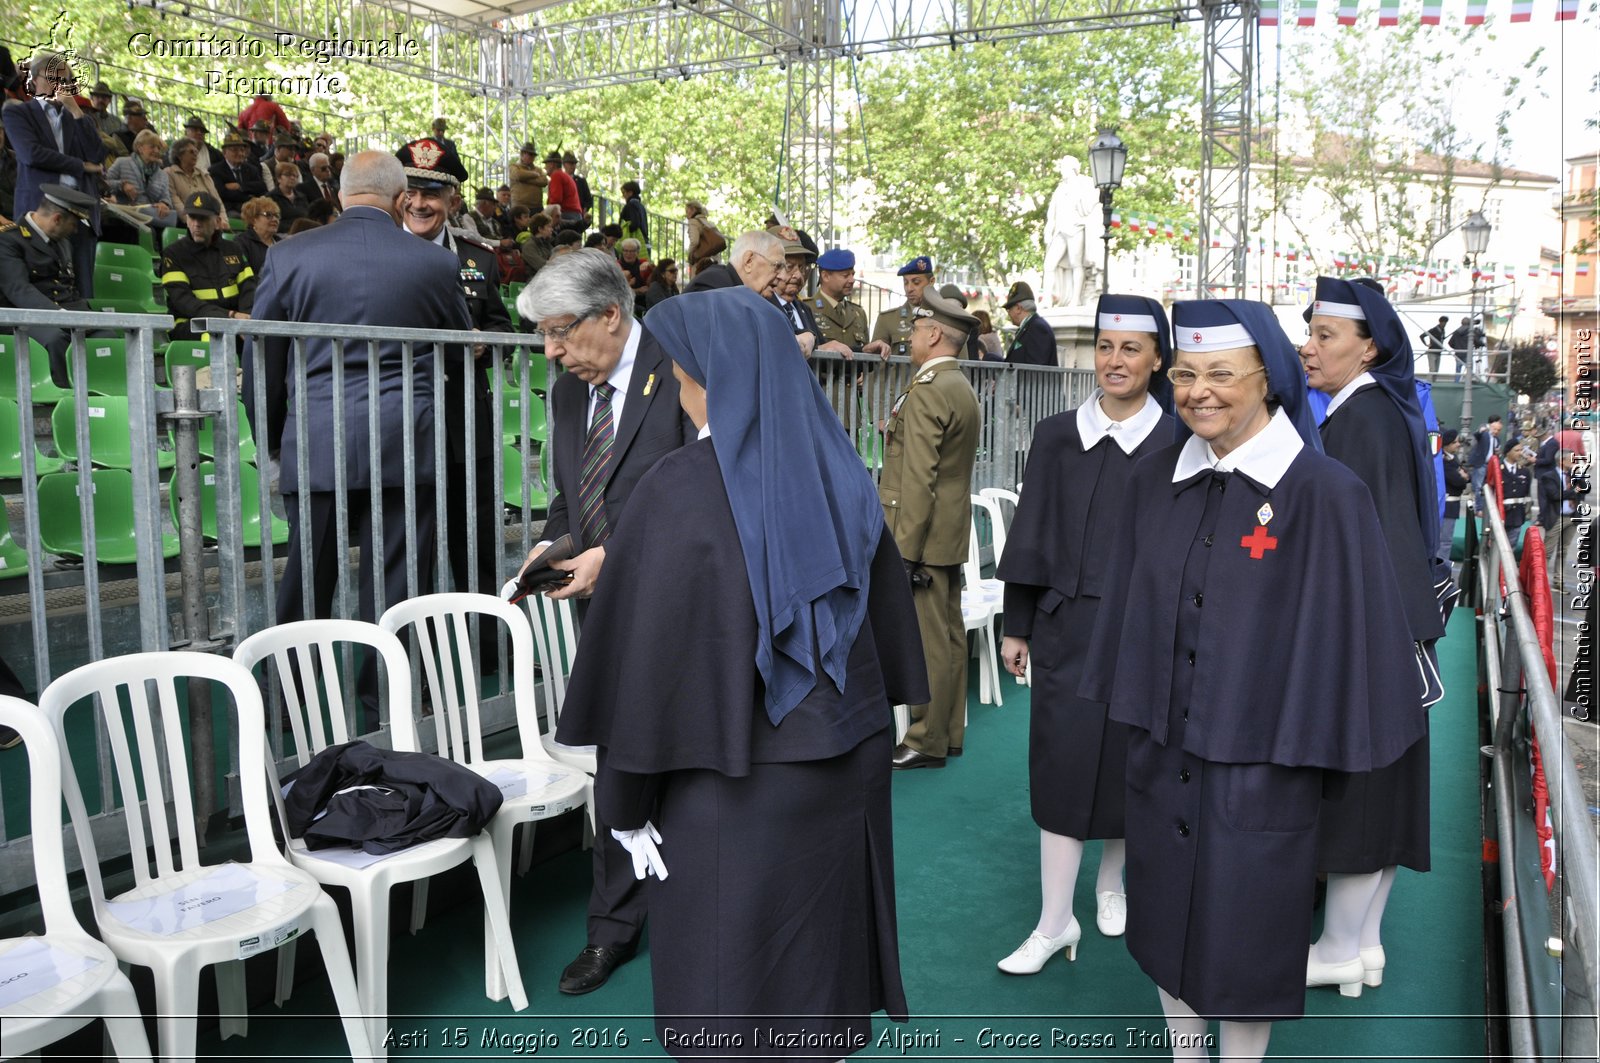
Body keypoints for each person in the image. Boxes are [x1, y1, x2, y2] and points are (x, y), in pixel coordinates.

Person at [551, 284, 926, 1058]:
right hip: (843, 770)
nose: (675, 380)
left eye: (681, 365)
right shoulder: (842, 469)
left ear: (707, 375)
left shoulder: (676, 489)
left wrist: (622, 805)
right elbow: (882, 634)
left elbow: (644, 670)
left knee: (724, 1009)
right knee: (816, 1000)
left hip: (724, 789)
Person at [1080, 298, 1424, 1061]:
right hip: (1162, 756)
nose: (1199, 390)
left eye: (1222, 375)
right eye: (1186, 374)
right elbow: (1131, 614)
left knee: (1245, 940)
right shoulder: (1155, 486)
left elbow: (1353, 645)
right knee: (1163, 921)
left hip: (1263, 770)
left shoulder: (1330, 495)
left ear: (1267, 379)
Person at [513, 248, 697, 995]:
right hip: (605, 613)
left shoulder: (684, 369)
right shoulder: (567, 393)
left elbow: (704, 499)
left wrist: (612, 556)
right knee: (618, 767)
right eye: (546, 338)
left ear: (611, 316)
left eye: (560, 333)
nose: (552, 352)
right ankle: (613, 929)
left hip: (688, 613)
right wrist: (553, 547)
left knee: (689, 766)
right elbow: (573, 499)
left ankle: (694, 911)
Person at [244, 151, 472, 714]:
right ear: (400, 201)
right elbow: (463, 352)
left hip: (319, 441)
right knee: (398, 578)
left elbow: (263, 363)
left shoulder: (287, 256)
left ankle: (285, 701)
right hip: (407, 442)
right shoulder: (434, 264)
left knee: (308, 573)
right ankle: (387, 696)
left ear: (340, 196)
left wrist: (273, 440)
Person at [995, 294, 1175, 974]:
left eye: (1131, 348)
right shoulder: (1056, 435)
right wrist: (1017, 625)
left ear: (1157, 358)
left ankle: (1111, 883)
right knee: (1064, 770)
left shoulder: (1178, 442)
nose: (1115, 360)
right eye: (1105, 346)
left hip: (1144, 634)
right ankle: (1054, 919)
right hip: (1066, 630)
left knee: (1133, 765)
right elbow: (1032, 535)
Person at [1299, 275, 1450, 997]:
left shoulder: (1358, 420)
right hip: (1397, 630)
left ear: (1369, 346)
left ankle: (1336, 943)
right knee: (1386, 796)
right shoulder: (1386, 411)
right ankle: (1361, 943)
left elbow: (1358, 543)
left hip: (1370, 632)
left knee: (1360, 795)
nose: (1309, 347)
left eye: (1325, 335)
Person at [398, 138, 515, 664]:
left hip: (467, 418)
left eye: (433, 193)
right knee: (411, 551)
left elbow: (501, 324)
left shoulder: (478, 258)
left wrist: (489, 342)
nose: (421, 203)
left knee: (479, 541)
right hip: (402, 421)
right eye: (413, 191)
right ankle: (413, 666)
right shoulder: (382, 254)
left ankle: (490, 651)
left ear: (453, 199)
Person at [882, 288, 982, 770]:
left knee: (928, 640)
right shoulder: (958, 386)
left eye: (917, 329)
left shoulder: (927, 390)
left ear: (934, 333)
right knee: (949, 635)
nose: (912, 336)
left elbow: (918, 480)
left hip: (920, 535)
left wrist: (903, 552)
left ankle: (924, 738)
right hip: (948, 531)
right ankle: (947, 733)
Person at [2, 50, 106, 298]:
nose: (60, 85)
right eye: (52, 77)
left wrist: (77, 112)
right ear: (34, 80)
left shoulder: (78, 118)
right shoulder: (18, 112)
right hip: (39, 211)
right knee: (38, 287)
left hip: (79, 212)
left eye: (66, 80)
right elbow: (31, 154)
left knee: (82, 290)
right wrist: (80, 166)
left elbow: (97, 155)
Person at [0, 183, 97, 385]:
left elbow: (68, 286)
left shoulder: (61, 241)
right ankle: (64, 400)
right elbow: (18, 290)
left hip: (65, 312)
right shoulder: (9, 240)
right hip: (24, 317)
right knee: (56, 339)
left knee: (106, 335)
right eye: (73, 224)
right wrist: (59, 316)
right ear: (57, 219)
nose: (74, 230)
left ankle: (107, 396)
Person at [160, 191, 256, 340]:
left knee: (258, 335)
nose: (196, 224)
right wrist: (229, 316)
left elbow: (248, 288)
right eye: (192, 217)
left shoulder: (233, 249)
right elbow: (183, 301)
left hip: (234, 323)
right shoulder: (173, 254)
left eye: (203, 218)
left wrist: (246, 319)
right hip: (190, 323)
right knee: (216, 336)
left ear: (218, 222)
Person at [811, 248, 881, 354]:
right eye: (845, 275)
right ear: (825, 276)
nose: (852, 280)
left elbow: (865, 355)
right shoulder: (808, 309)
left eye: (852, 274)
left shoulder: (858, 313)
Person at [105, 129, 175, 230]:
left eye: (158, 148)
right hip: (124, 218)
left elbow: (166, 196)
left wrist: (164, 204)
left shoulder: (162, 174)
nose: (156, 151)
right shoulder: (122, 162)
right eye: (152, 147)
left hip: (151, 219)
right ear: (140, 148)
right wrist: (122, 185)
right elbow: (104, 183)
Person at [683, 230, 784, 296]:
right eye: (777, 266)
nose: (782, 276)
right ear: (749, 261)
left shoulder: (735, 290)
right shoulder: (713, 288)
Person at [871, 255, 934, 358]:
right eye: (905, 283)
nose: (909, 288)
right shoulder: (887, 320)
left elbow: (962, 366)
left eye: (916, 282)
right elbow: (876, 366)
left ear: (931, 282)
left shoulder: (946, 318)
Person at [165, 139, 226, 222]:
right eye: (191, 152)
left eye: (196, 152)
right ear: (179, 155)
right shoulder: (169, 173)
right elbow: (176, 203)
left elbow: (217, 201)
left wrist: (223, 220)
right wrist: (192, 221)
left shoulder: (204, 174)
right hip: (185, 222)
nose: (195, 154)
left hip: (209, 219)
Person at [210, 130, 268, 215]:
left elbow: (261, 187)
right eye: (235, 150)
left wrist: (240, 186)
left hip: (252, 207)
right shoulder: (216, 170)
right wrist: (249, 196)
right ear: (224, 152)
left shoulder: (251, 169)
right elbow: (222, 193)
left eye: (242, 150)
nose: (240, 153)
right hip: (230, 209)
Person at [1003, 281, 1057, 365]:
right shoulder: (1030, 326)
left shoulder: (1037, 328)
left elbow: (1036, 369)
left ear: (1018, 308)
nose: (1008, 313)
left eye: (1009, 309)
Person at [1439, 429, 1467, 565]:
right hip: (1446, 506)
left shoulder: (1452, 459)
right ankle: (1441, 570)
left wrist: (1464, 477)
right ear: (1447, 444)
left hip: (1451, 506)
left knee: (1446, 540)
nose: (1458, 445)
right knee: (1444, 541)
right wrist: (1462, 478)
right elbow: (1458, 481)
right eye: (1454, 442)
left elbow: (1466, 476)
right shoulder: (1444, 461)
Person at [1467, 413, 1502, 514]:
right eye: (1495, 429)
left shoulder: (1497, 439)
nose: (1497, 432)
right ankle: (1479, 508)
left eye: (1499, 430)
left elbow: (1496, 452)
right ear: (1491, 427)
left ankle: (1485, 507)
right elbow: (1477, 435)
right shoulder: (1484, 435)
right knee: (1478, 486)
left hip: (1491, 466)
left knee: (1487, 487)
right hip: (1481, 464)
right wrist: (1481, 430)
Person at [236, 195, 280, 273]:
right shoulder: (242, 242)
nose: (275, 219)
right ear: (254, 219)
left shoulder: (281, 242)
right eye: (268, 215)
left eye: (276, 215)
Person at [545, 151, 583, 229]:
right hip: (574, 215)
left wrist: (545, 214)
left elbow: (556, 200)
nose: (545, 167)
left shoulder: (556, 175)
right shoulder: (564, 175)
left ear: (552, 164)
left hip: (567, 215)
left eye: (546, 164)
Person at [269, 161, 309, 228]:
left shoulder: (302, 196)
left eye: (295, 176)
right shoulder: (271, 198)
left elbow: (307, 216)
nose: (292, 178)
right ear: (279, 178)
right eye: (288, 175)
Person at [508, 142, 546, 210]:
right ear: (522, 154)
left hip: (537, 207)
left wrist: (524, 179)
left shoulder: (538, 169)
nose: (532, 157)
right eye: (530, 154)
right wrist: (535, 174)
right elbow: (518, 175)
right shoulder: (514, 167)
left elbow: (544, 181)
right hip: (519, 207)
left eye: (533, 155)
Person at [618, 179, 648, 249]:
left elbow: (634, 224)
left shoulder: (631, 205)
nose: (623, 196)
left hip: (634, 244)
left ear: (630, 193)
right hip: (644, 241)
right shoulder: (641, 206)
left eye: (624, 193)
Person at [564, 151, 593, 219]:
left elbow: (588, 200)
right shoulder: (560, 180)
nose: (573, 166)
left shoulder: (581, 181)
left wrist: (585, 209)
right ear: (564, 164)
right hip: (564, 213)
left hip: (578, 214)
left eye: (574, 164)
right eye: (570, 163)